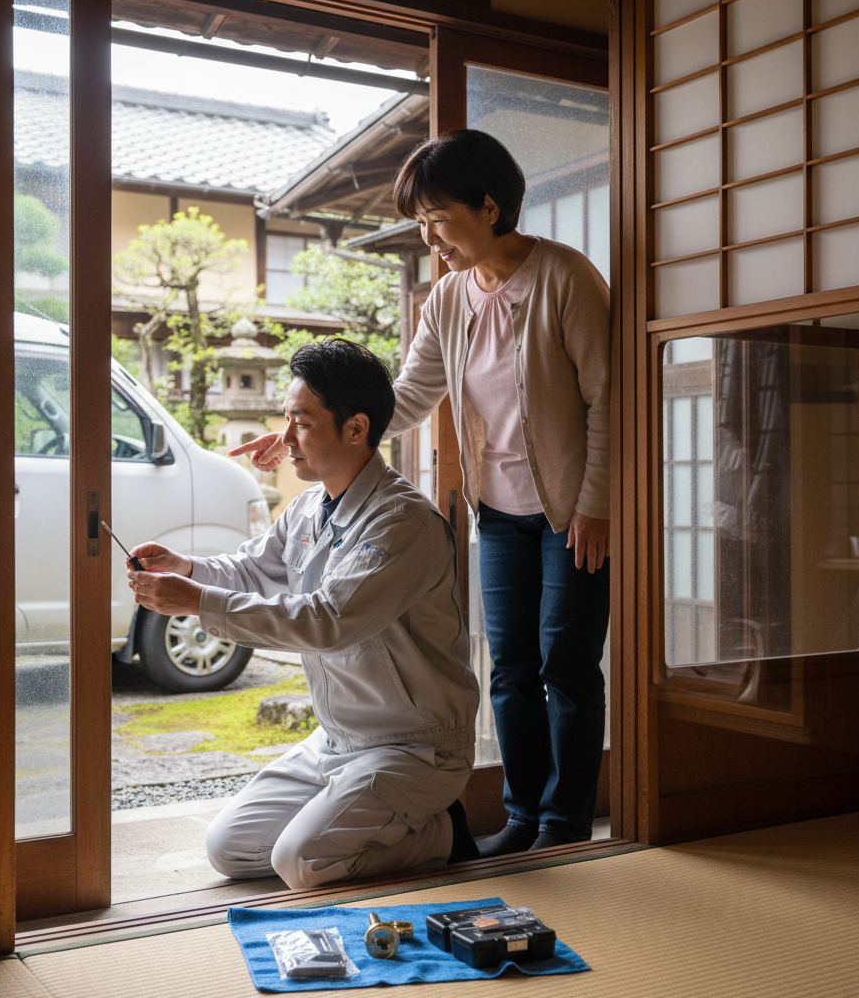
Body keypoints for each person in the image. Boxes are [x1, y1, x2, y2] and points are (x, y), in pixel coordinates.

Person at [233, 130, 611, 856]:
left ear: (491, 206)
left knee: (566, 664)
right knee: (509, 667)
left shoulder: (564, 277)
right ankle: (524, 815)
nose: (432, 238)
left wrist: (596, 504)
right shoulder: (446, 299)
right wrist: (306, 431)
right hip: (497, 513)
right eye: (423, 224)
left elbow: (606, 398)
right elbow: (405, 399)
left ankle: (566, 823)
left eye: (440, 219)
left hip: (570, 512)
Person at [127, 338, 480, 890]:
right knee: (232, 848)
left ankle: (444, 834)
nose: (284, 439)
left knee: (302, 863)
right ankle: (365, 821)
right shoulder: (311, 507)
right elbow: (250, 569)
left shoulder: (402, 522)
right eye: (286, 419)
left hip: (415, 745)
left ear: (356, 428)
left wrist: (196, 602)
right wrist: (189, 569)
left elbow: (326, 622)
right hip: (338, 739)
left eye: (301, 423)